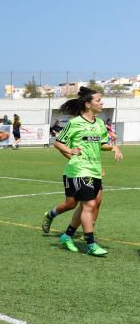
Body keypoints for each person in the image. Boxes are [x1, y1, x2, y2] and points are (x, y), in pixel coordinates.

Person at [46, 87, 123, 256]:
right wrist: (71, 150)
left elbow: (102, 144)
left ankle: (67, 236)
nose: (101, 102)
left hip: (95, 170)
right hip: (79, 170)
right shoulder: (74, 123)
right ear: (88, 104)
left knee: (88, 204)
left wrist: (113, 147)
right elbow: (58, 142)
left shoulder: (100, 123)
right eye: (98, 100)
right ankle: (91, 244)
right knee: (88, 205)